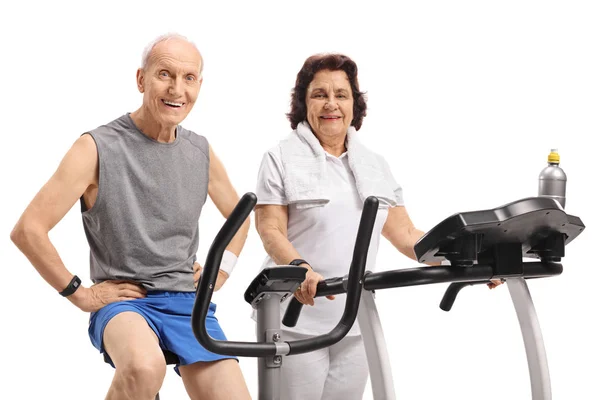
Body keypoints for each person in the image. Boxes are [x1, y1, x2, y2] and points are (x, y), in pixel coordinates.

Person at [10, 33, 252, 400]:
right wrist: (81, 294)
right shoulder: (96, 147)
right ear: (141, 79)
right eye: (164, 74)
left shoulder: (199, 151)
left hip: (188, 302)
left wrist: (220, 272)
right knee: (144, 367)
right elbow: (28, 230)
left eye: (189, 78)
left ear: (199, 85)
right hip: (126, 302)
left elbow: (241, 216)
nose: (177, 89)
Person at [253, 53, 502, 400]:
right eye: (319, 94)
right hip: (294, 320)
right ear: (303, 103)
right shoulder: (279, 158)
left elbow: (408, 236)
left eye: (341, 95)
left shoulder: (373, 165)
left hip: (356, 320)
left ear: (355, 104)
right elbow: (270, 229)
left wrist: (469, 262)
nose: (331, 104)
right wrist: (300, 269)